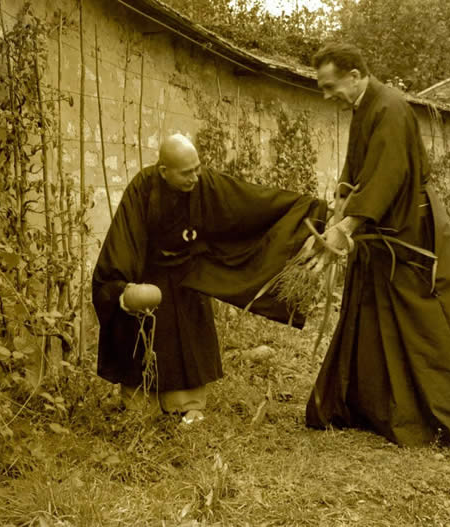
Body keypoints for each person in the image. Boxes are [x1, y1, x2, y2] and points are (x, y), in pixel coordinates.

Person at [303, 43, 450, 446]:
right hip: (382, 227)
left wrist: (348, 225)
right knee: (373, 315)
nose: (326, 95)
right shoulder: (363, 108)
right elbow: (357, 166)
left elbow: (389, 175)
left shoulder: (390, 108)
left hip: (411, 228)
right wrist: (338, 204)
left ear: (355, 76)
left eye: (330, 85)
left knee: (428, 320)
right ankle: (376, 405)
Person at [92, 134, 326, 424]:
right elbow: (124, 237)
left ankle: (188, 401)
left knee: (188, 334)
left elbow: (251, 201)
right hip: (148, 273)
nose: (195, 176)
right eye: (186, 172)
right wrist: (123, 288)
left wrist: (309, 209)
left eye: (197, 168)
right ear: (164, 171)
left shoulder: (205, 183)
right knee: (144, 323)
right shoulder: (142, 189)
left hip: (188, 271)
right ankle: (141, 398)